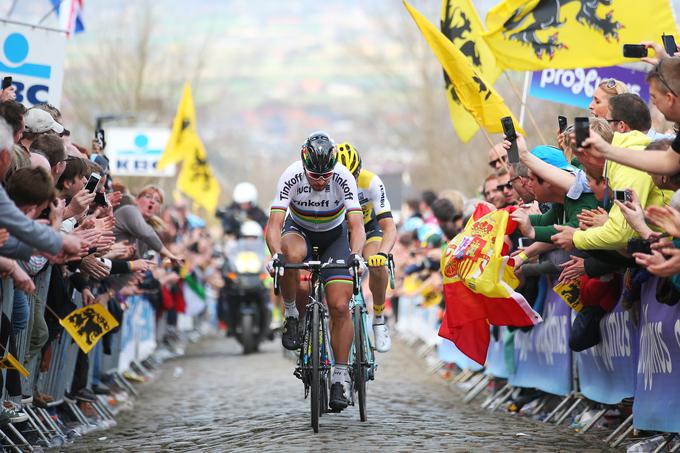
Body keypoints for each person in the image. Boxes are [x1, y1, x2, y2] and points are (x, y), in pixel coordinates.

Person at [265, 131, 365, 411]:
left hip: (334, 237)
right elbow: (274, 224)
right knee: (290, 256)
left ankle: (340, 376)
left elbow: (356, 225)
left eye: (326, 176)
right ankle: (292, 314)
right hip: (299, 232)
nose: (321, 181)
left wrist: (356, 255)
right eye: (314, 176)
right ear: (304, 166)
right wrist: (275, 256)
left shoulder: (343, 177)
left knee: (340, 305)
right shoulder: (291, 175)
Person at [337, 141, 397, 352]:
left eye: (353, 176)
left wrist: (382, 253)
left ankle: (379, 320)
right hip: (340, 234)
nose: (349, 182)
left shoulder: (371, 182)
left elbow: (389, 227)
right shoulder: (327, 184)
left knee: (377, 265)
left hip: (369, 229)